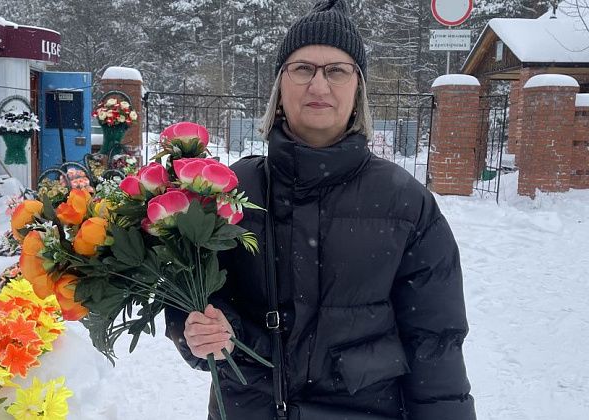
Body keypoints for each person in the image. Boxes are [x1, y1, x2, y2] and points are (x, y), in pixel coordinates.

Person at [165, 1, 476, 419]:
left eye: (336, 70)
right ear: (280, 85)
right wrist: (203, 332)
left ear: (358, 87)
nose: (318, 85)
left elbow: (435, 342)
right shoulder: (230, 190)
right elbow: (192, 294)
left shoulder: (405, 202)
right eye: (303, 68)